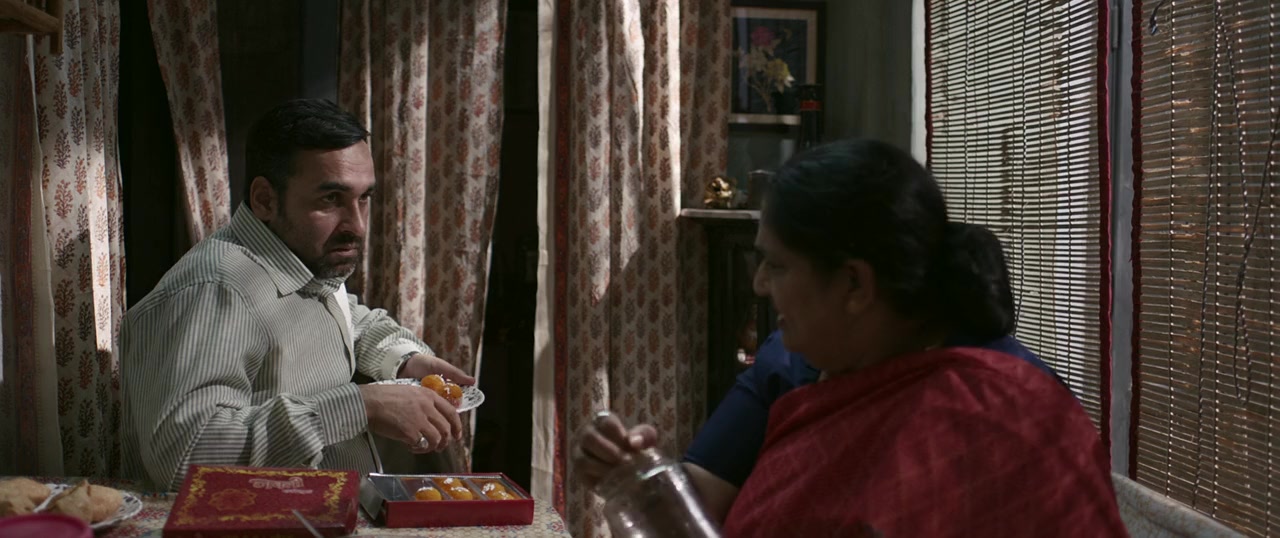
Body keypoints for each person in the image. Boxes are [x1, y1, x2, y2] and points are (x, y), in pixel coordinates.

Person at [576, 139, 1127, 535]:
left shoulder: (1011, 416)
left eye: (776, 265)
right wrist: (634, 479)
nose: (759, 285)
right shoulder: (790, 362)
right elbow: (702, 505)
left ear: (854, 284)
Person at [119, 99, 474, 491]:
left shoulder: (302, 263)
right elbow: (183, 457)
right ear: (265, 200)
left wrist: (406, 361)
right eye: (331, 199)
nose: (357, 226)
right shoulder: (216, 290)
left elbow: (348, 318)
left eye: (364, 198)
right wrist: (361, 407)